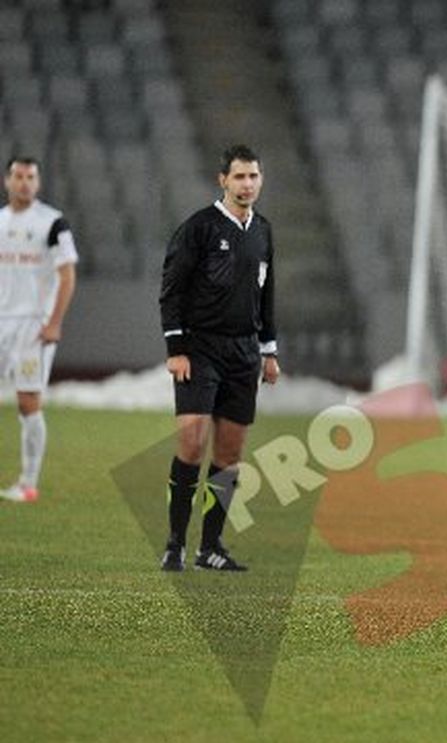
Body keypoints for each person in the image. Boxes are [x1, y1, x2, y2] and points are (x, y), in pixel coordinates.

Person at [158, 145, 279, 572]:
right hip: (200, 349)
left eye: (254, 177)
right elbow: (171, 290)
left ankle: (210, 547)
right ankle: (175, 543)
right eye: (240, 177)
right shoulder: (199, 229)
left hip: (244, 353)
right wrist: (176, 350)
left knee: (229, 452)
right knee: (191, 442)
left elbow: (266, 296)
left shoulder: (262, 230)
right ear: (222, 180)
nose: (247, 184)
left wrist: (269, 351)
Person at [0, 156, 77, 503]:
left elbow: (67, 275)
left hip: (33, 327)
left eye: (31, 177)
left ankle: (28, 484)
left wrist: (54, 323)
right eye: (18, 176)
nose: (24, 183)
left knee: (28, 401)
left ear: (39, 182)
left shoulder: (52, 223)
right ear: (7, 181)